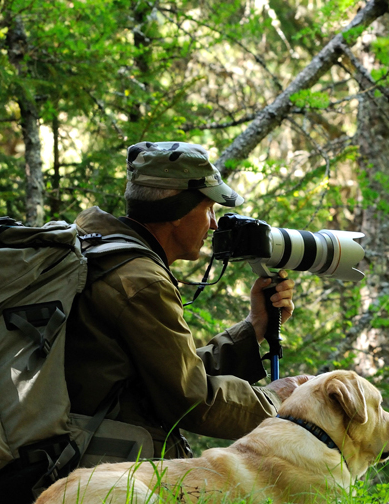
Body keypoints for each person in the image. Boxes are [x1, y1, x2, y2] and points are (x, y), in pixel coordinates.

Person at [65, 141, 311, 459]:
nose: (212, 224)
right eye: (208, 209)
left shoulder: (105, 254)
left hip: (77, 456)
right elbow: (193, 399)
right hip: (100, 477)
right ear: (177, 213)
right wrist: (276, 399)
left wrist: (254, 328)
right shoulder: (140, 281)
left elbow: (172, 373)